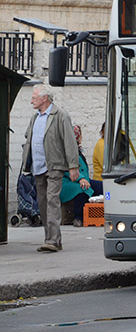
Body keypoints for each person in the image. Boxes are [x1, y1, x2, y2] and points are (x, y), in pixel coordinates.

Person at [21, 84, 79, 252]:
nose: (31, 100)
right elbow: (29, 137)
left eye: (34, 97)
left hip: (54, 165)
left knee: (52, 200)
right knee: (43, 203)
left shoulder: (60, 116)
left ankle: (52, 240)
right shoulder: (35, 117)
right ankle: (52, 239)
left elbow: (70, 142)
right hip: (37, 166)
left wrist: (73, 166)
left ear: (44, 98)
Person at [61, 124, 97, 227]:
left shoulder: (78, 149)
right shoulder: (66, 150)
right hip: (68, 182)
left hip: (82, 179)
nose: (81, 137)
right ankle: (78, 217)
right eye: (80, 135)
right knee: (82, 189)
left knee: (103, 187)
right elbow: (67, 169)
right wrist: (81, 179)